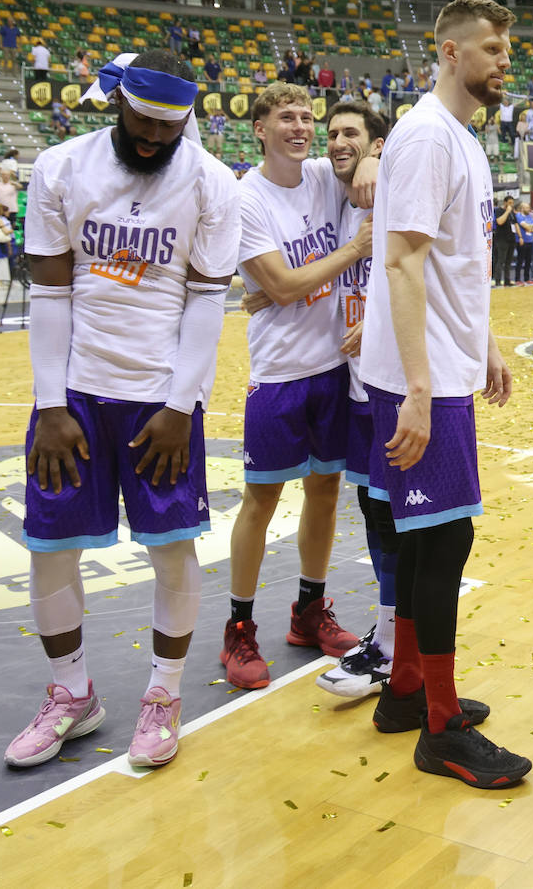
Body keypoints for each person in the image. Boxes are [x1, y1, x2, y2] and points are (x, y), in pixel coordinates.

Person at [3, 50, 240, 771]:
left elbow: (206, 301)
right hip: (73, 391)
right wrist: (50, 404)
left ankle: (163, 697)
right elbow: (49, 292)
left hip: (161, 400)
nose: (153, 137)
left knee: (172, 549)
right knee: (49, 549)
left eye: (170, 126)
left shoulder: (212, 182)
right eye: (142, 120)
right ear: (118, 100)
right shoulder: (60, 167)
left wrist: (181, 406)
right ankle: (72, 695)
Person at [358, 0, 531, 788]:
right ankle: (440, 726)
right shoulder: (431, 134)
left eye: (505, 49)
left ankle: (404, 691)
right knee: (444, 542)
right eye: (492, 48)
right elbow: (401, 262)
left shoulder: (457, 138)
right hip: (421, 379)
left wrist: (484, 340)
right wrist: (423, 388)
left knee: (427, 539)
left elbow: (452, 261)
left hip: (442, 365)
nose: (503, 61)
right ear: (449, 50)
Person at [220, 83, 375, 689]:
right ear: (258, 127)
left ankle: (309, 610)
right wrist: (351, 251)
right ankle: (238, 628)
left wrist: (377, 157)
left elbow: (363, 156)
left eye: (307, 117)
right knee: (260, 501)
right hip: (279, 374)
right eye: (286, 117)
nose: (302, 127)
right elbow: (282, 287)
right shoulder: (247, 198)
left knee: (325, 493)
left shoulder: (318, 174)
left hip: (332, 368)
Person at [311, 101, 399, 699]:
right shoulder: (342, 202)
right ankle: (391, 637)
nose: (339, 142)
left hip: (393, 384)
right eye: (333, 134)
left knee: (399, 520)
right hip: (355, 387)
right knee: (374, 514)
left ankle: (396, 647)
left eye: (352, 135)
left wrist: (380, 158)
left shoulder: (391, 187)